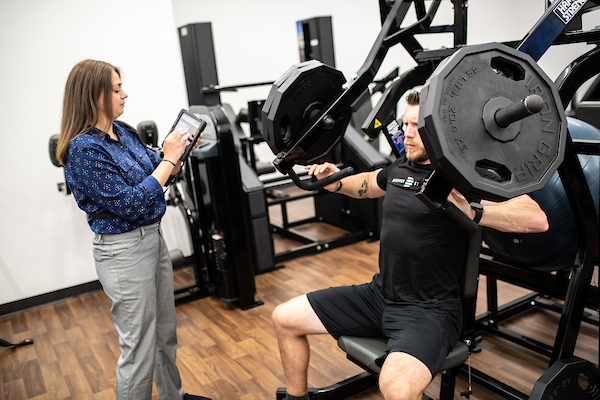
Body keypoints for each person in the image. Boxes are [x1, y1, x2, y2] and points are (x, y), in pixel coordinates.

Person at [272, 91, 549, 400]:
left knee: (397, 388)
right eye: (405, 124)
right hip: (380, 295)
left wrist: (476, 212)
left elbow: (536, 218)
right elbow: (365, 184)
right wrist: (334, 180)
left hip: (429, 311)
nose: (407, 132)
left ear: (438, 129)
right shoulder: (400, 168)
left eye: (416, 125)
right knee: (284, 318)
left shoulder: (465, 177)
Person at [56, 59, 211, 400]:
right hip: (123, 253)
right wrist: (169, 162)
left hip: (152, 241)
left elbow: (157, 170)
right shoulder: (84, 150)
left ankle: (174, 397)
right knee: (138, 348)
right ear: (94, 96)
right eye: (116, 89)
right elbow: (129, 203)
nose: (124, 94)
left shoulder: (122, 130)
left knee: (164, 334)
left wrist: (177, 154)